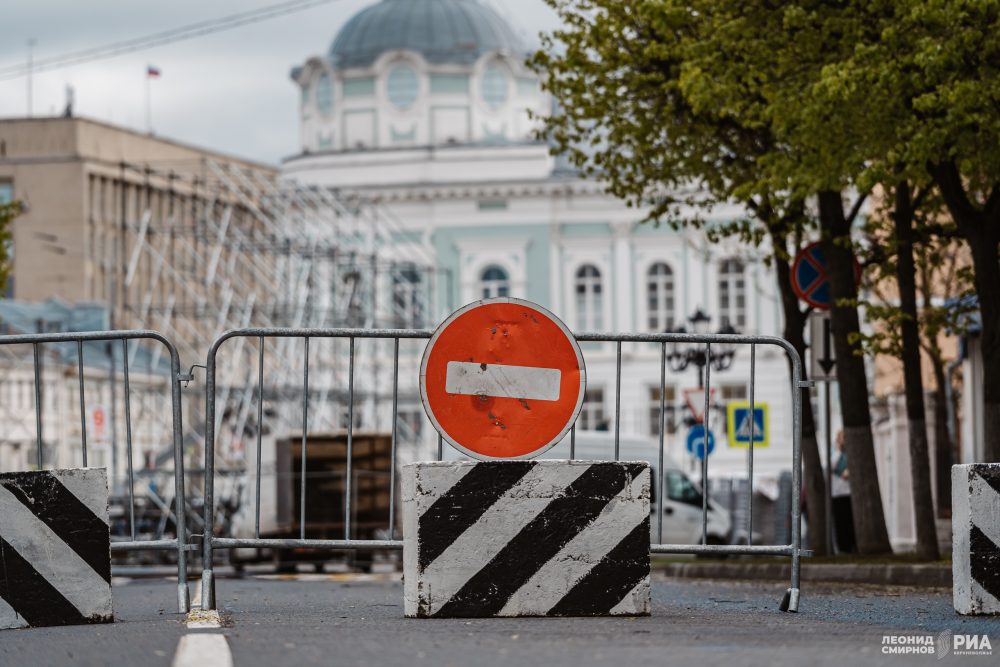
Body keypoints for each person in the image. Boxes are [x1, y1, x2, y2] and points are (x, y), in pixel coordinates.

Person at [830, 430, 856, 553]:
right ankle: (843, 548)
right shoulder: (836, 454)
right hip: (837, 493)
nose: (841, 440)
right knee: (840, 523)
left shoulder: (849, 454)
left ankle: (851, 546)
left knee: (849, 521)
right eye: (840, 438)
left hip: (848, 493)